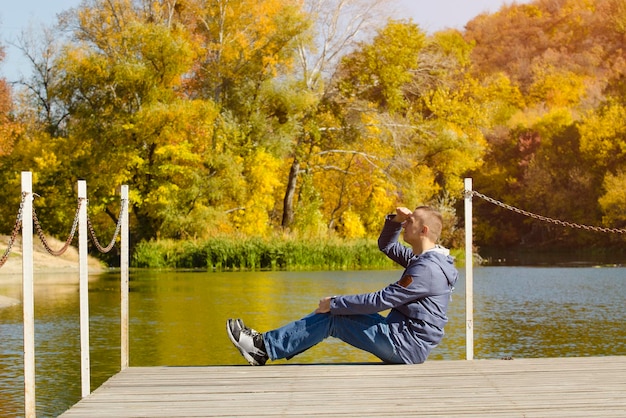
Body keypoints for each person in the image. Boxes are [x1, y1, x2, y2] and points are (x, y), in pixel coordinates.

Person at [226, 205, 458, 365]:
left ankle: (263, 348)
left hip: (404, 345)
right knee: (336, 313)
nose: (406, 223)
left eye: (411, 221)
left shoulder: (427, 270)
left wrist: (334, 303)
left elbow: (381, 300)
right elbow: (386, 245)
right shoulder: (424, 261)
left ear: (424, 231)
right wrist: (396, 221)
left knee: (334, 316)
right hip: (402, 338)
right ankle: (266, 347)